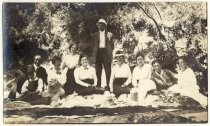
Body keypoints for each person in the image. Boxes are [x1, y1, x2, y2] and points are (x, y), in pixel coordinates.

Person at [92, 19, 114, 90]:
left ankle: (108, 86)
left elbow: (112, 45)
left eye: (102, 25)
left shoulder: (109, 34)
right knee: (98, 70)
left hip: (106, 53)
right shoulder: (95, 35)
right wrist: (96, 52)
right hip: (98, 52)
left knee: (108, 70)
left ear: (105, 26)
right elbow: (93, 45)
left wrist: (109, 52)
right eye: (99, 25)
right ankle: (98, 85)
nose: (100, 26)